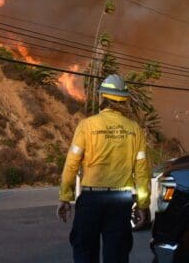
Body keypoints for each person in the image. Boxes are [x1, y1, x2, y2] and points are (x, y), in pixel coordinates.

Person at [57, 74, 151, 263]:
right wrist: (143, 204)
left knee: (84, 251)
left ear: (102, 97)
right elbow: (142, 172)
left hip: (91, 199)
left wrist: (65, 197)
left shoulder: (87, 126)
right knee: (117, 254)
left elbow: (72, 163)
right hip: (120, 201)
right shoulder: (135, 130)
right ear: (124, 100)